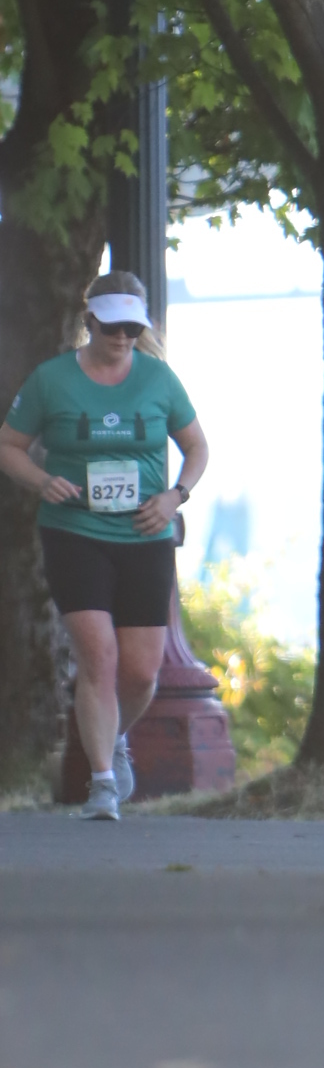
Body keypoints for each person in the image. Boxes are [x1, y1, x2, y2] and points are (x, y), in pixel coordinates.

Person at [1, 270, 209, 822]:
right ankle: (102, 784)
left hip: (145, 534)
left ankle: (114, 738)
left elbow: (197, 447)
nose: (122, 338)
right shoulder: (51, 380)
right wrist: (42, 481)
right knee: (99, 655)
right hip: (75, 532)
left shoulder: (159, 379)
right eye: (112, 327)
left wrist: (175, 496)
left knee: (141, 673)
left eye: (132, 330)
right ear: (89, 321)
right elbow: (9, 445)